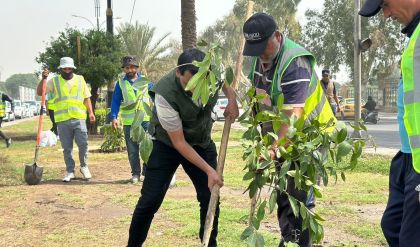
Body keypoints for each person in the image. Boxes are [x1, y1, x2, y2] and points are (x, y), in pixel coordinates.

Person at [127, 48, 239, 247]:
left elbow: (224, 83)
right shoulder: (165, 94)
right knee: (150, 201)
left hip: (201, 141)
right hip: (166, 144)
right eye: (190, 83)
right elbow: (179, 143)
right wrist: (209, 170)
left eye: (200, 83)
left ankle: (208, 244)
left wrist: (232, 100)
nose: (195, 89)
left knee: (210, 196)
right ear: (179, 73)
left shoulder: (211, 73)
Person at [243, 13, 336, 246]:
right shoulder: (259, 59)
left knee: (298, 194)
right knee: (285, 191)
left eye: (263, 46)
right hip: (285, 136)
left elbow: (292, 115)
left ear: (276, 36)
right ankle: (291, 239)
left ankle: (298, 241)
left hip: (312, 135)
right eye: (254, 48)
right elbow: (262, 104)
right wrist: (264, 147)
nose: (260, 54)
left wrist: (274, 149)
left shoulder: (295, 62)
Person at [360, 1, 420, 246]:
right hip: (408, 157)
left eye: (385, 4)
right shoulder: (414, 35)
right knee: (392, 224)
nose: (385, 15)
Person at [37, 57, 95, 182]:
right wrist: (43, 79)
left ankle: (84, 167)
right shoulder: (55, 81)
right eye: (65, 68)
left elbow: (87, 97)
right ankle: (70, 171)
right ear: (61, 69)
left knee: (83, 144)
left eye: (69, 68)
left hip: (79, 118)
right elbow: (40, 92)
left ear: (73, 68)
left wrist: (90, 112)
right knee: (67, 147)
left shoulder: (80, 79)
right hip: (62, 120)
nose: (67, 70)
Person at [111, 56, 151, 184]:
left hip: (145, 120)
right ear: (124, 69)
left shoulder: (145, 81)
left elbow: (155, 96)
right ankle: (135, 174)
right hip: (129, 123)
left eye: (132, 67)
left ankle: (147, 171)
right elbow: (115, 101)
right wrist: (114, 117)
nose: (130, 69)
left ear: (136, 68)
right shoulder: (121, 83)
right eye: (127, 67)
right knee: (133, 151)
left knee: (148, 147)